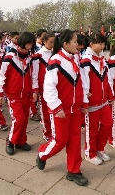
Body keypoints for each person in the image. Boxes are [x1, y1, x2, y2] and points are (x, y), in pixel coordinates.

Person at [36, 29, 89, 187]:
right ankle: (42, 154)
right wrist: (57, 107)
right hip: (60, 111)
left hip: (75, 110)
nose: (77, 44)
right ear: (65, 44)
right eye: (74, 42)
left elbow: (81, 83)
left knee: (74, 141)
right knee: (60, 141)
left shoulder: (75, 59)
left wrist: (84, 102)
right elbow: (49, 88)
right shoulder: (55, 61)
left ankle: (73, 171)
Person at [0, 32, 36, 154]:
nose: (29, 46)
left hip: (27, 94)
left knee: (25, 120)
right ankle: (11, 141)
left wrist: (35, 91)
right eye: (28, 44)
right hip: (13, 94)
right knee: (18, 119)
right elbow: (2, 75)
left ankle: (21, 141)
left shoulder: (30, 58)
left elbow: (33, 76)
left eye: (31, 44)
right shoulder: (10, 57)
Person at [80, 33, 114, 165]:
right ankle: (90, 153)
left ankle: (100, 148)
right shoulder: (86, 61)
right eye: (99, 43)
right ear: (91, 44)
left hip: (103, 100)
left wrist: (110, 94)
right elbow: (84, 83)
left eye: (103, 44)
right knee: (92, 129)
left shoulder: (103, 60)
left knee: (108, 123)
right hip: (92, 102)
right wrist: (85, 101)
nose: (102, 46)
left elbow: (108, 78)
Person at [31, 32, 55, 142]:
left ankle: (55, 131)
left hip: (55, 87)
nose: (53, 44)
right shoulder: (37, 56)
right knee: (45, 112)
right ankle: (47, 132)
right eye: (51, 42)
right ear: (44, 42)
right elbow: (35, 74)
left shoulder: (56, 54)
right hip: (43, 88)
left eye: (54, 42)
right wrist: (35, 89)